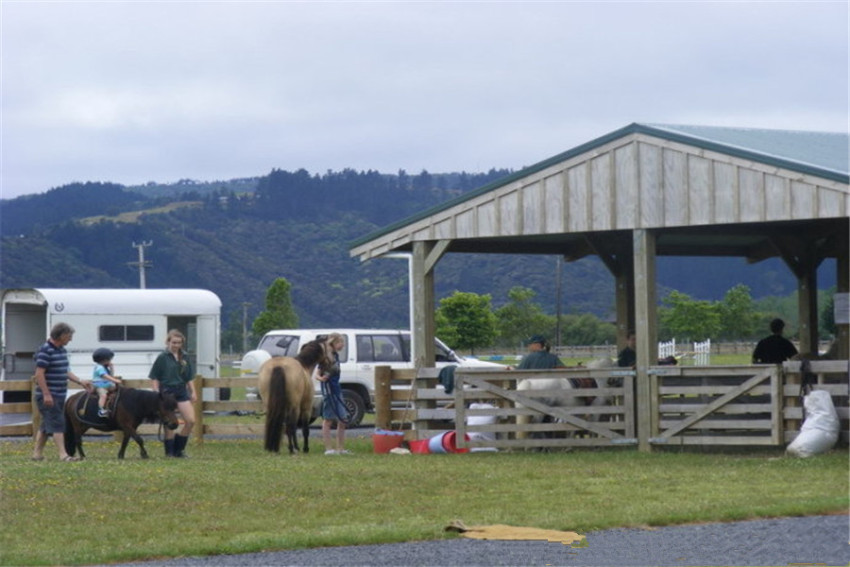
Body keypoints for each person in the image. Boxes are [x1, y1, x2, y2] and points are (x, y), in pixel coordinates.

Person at [31, 322, 92, 462]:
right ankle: (63, 454)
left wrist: (80, 381)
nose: (70, 339)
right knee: (58, 423)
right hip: (49, 395)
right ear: (62, 335)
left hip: (59, 394)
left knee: (46, 425)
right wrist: (46, 394)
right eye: (69, 336)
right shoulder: (46, 350)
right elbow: (39, 373)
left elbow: (65, 371)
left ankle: (37, 454)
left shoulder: (61, 350)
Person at [149, 329, 195, 458]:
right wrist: (156, 392)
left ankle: (179, 449)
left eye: (179, 343)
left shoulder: (185, 356)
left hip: (181, 390)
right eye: (174, 342)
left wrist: (193, 392)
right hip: (167, 391)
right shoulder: (162, 357)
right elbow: (154, 377)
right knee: (170, 423)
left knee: (190, 421)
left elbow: (189, 377)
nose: (176, 345)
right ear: (168, 342)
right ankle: (169, 452)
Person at [317, 333, 349, 455]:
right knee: (328, 420)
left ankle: (340, 448)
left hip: (337, 390)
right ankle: (328, 449)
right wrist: (322, 379)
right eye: (341, 342)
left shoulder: (336, 356)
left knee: (343, 419)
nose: (343, 345)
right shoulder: (326, 358)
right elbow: (317, 374)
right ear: (334, 343)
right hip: (329, 391)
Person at [91, 348, 122, 417]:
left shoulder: (104, 367)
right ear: (104, 360)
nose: (110, 361)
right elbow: (105, 376)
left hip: (107, 385)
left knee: (119, 391)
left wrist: (112, 368)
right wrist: (115, 380)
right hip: (99, 385)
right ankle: (101, 410)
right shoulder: (99, 367)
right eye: (109, 359)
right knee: (103, 395)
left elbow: (110, 375)